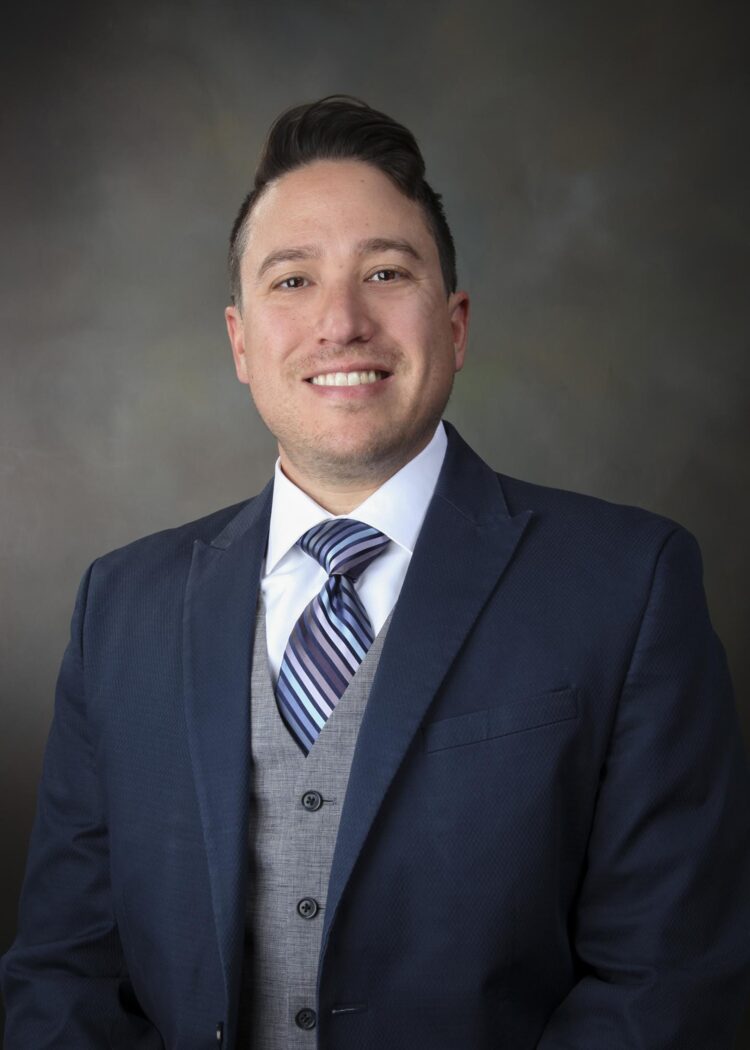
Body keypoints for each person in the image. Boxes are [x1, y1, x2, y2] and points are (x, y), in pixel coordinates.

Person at [2, 95, 749, 1049]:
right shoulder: (120, 607)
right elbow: (65, 971)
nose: (341, 322)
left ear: (456, 324)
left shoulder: (629, 585)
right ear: (240, 342)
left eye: (386, 272)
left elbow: (665, 984)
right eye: (293, 280)